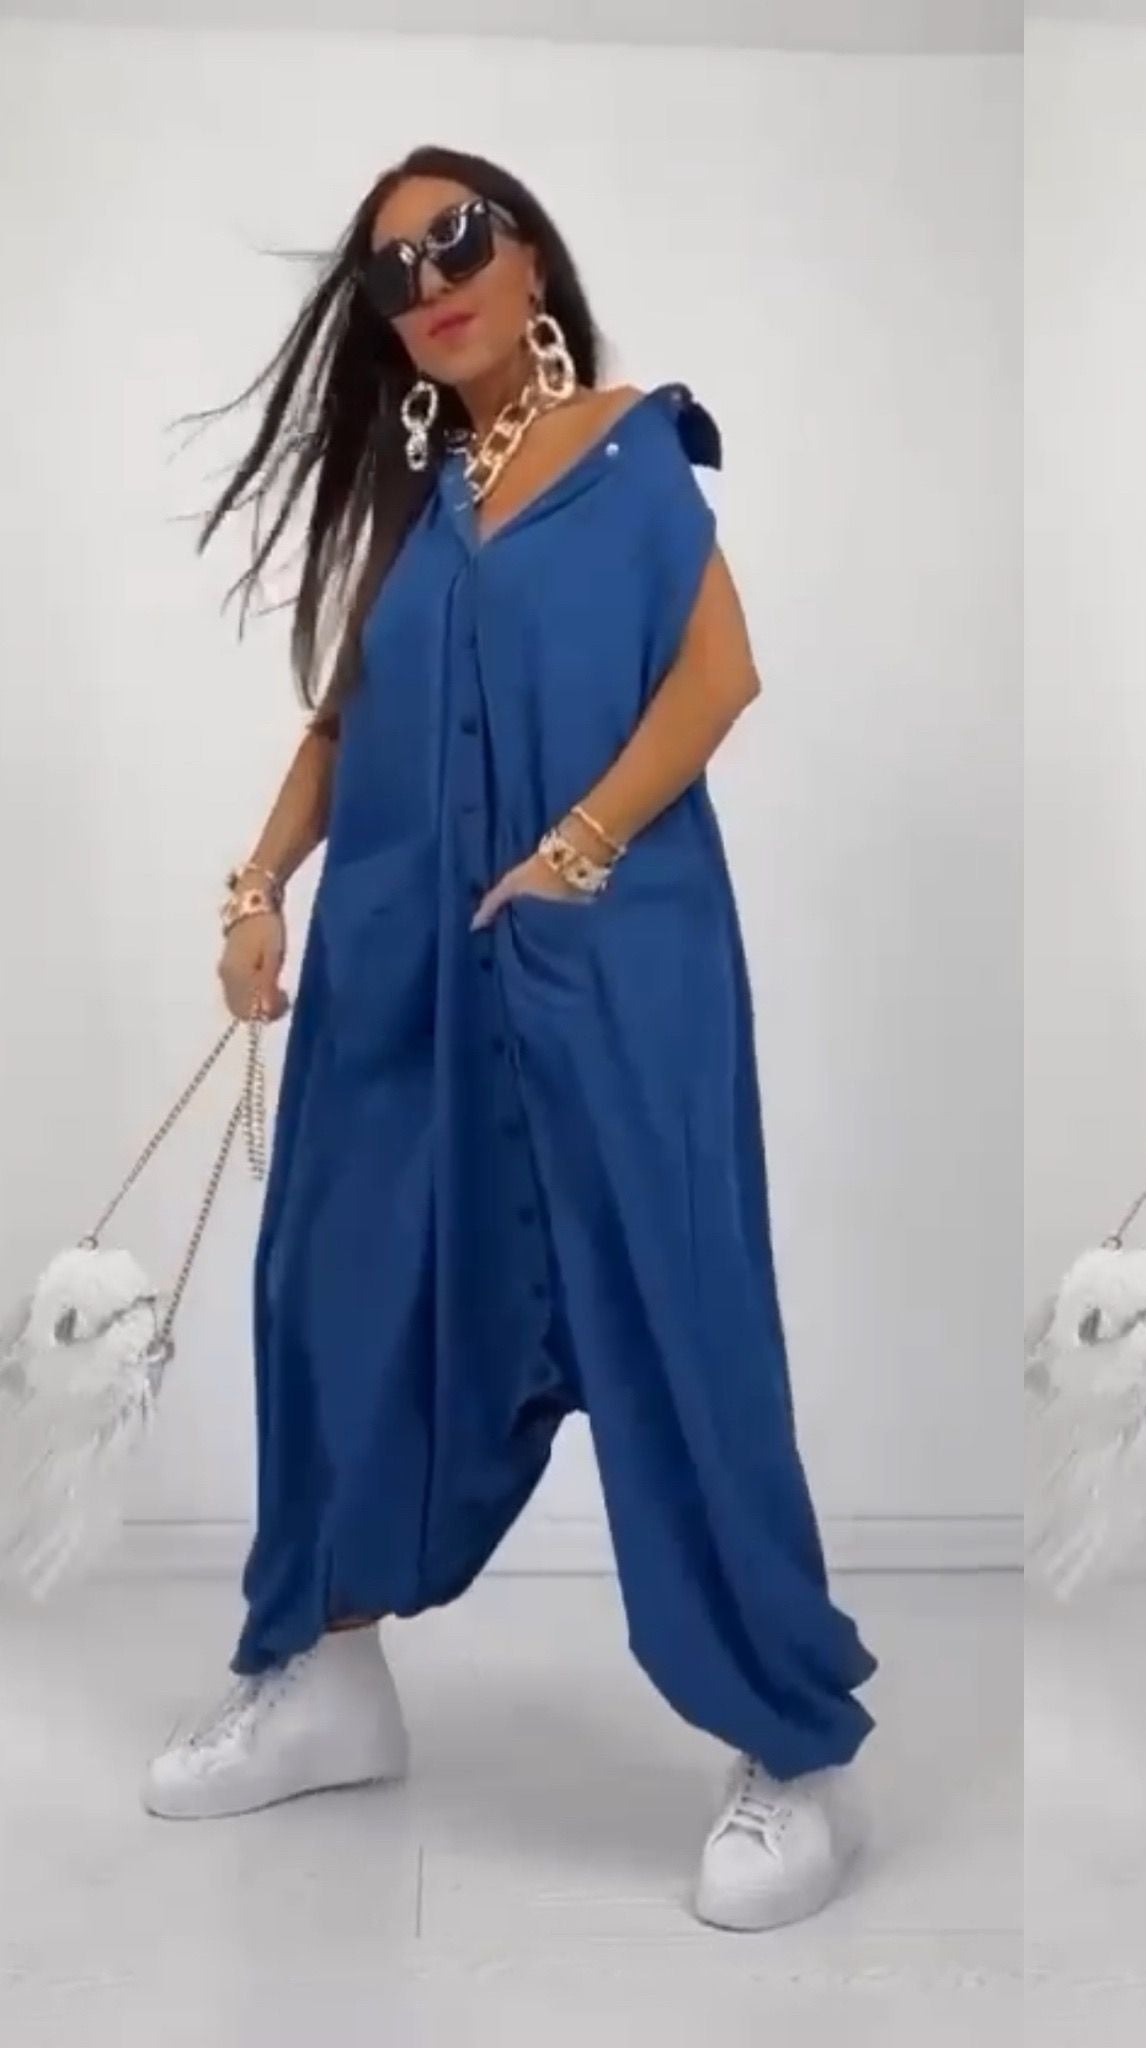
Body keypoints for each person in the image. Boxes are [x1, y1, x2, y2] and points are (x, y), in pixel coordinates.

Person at [146, 146, 876, 1934]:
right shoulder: (419, 505)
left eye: (456, 242)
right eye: (392, 272)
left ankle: (790, 1749)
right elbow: (342, 726)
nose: (430, 284)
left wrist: (581, 845)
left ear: (529, 257)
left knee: (676, 1322)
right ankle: (323, 1676)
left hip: (612, 966)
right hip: (398, 983)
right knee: (333, 1298)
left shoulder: (632, 453)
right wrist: (255, 886)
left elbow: (721, 673)